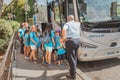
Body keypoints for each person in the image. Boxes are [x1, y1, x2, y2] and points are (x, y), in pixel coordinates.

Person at [62, 15, 80, 79]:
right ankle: (72, 71)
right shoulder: (78, 23)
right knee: (75, 57)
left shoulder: (67, 24)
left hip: (70, 41)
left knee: (71, 58)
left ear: (68, 19)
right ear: (73, 19)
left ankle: (73, 74)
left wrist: (64, 39)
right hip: (77, 40)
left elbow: (64, 30)